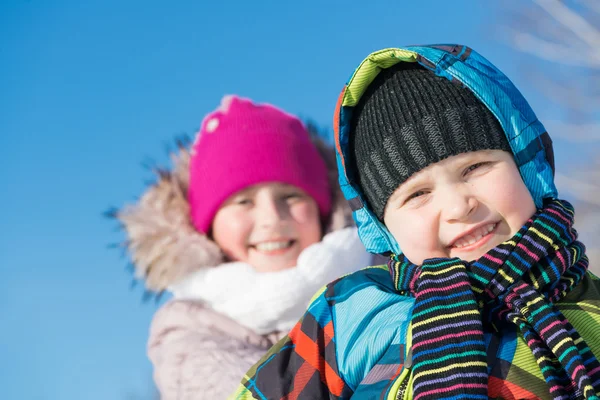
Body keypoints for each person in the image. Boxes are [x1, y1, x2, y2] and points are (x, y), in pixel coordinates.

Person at [231, 45, 600, 400]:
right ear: (384, 227)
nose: (458, 206)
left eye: (475, 167)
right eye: (417, 194)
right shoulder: (352, 314)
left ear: (524, 167)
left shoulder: (592, 307)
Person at [113, 95, 372, 399]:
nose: (272, 218)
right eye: (243, 201)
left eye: (290, 196)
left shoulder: (380, 279)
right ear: (206, 229)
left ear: (324, 208)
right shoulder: (189, 335)